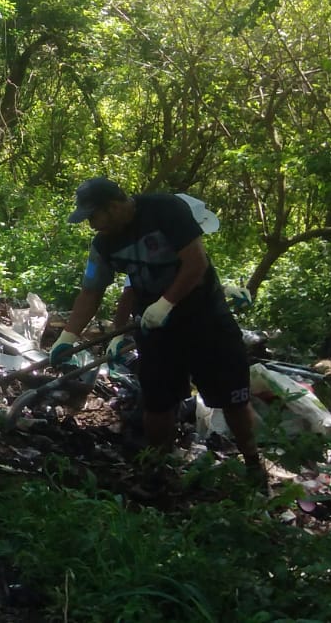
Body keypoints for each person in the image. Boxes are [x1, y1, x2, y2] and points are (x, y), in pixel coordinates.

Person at [48, 177, 262, 478]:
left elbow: (196, 263)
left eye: (94, 217)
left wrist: (165, 304)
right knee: (157, 402)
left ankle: (253, 463)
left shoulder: (165, 209)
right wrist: (68, 336)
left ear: (113, 206)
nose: (92, 225)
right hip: (157, 331)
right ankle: (159, 468)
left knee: (232, 398)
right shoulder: (105, 243)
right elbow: (91, 291)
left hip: (207, 320)